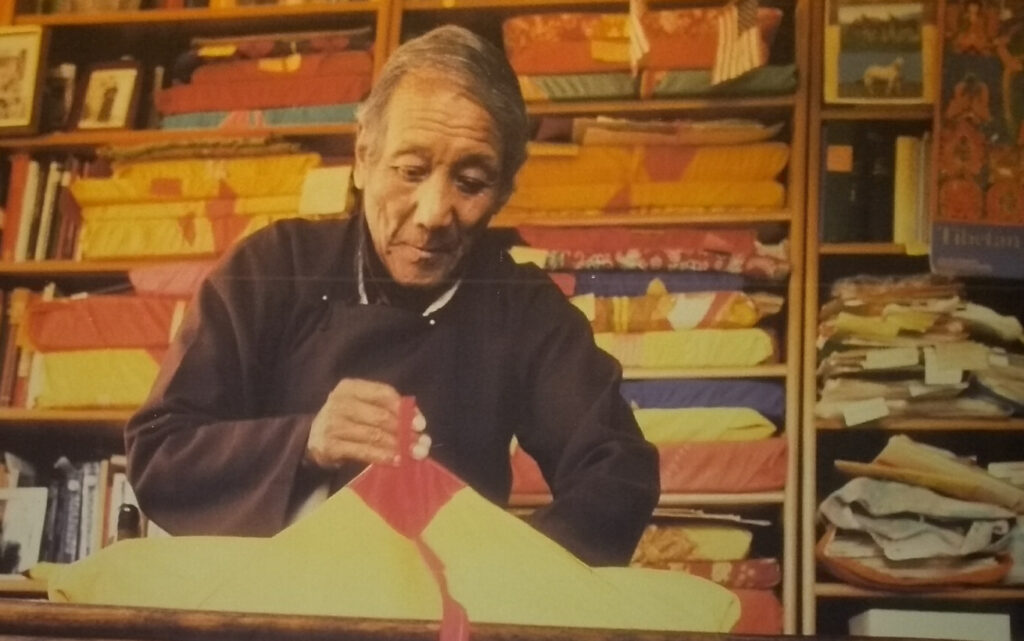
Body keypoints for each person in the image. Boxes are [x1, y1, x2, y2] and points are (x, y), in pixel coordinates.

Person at [125, 25, 659, 567]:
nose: (432, 215)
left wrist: (511, 573)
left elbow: (618, 470)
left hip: (446, 606)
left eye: (471, 182)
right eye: (411, 171)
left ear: (503, 192)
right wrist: (307, 441)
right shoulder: (272, 267)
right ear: (363, 157)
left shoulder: (523, 309)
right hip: (269, 606)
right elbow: (159, 453)